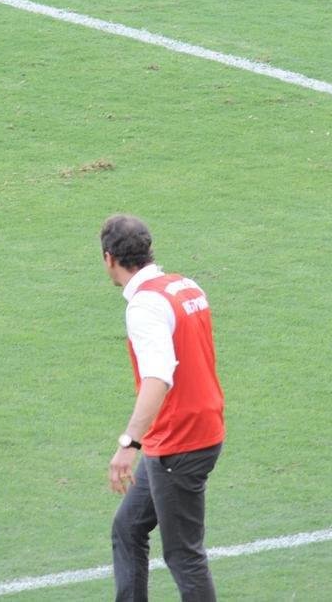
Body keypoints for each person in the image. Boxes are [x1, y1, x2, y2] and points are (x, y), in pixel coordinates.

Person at [100, 214, 225, 601]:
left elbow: (158, 376)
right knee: (129, 528)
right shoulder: (185, 286)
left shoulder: (144, 306)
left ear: (109, 259)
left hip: (179, 442)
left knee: (184, 555)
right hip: (193, 430)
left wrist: (128, 444)